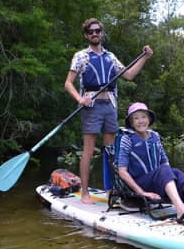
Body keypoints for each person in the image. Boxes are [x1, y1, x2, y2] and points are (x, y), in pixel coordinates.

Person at [64, 18, 153, 204]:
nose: (94, 34)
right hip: (91, 105)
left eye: (97, 31)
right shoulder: (81, 56)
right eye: (90, 32)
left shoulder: (110, 57)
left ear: (102, 33)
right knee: (88, 150)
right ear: (86, 35)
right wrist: (80, 99)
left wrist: (144, 57)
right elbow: (68, 84)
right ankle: (85, 193)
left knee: (111, 151)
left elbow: (128, 75)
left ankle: (112, 190)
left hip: (110, 106)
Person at [118, 102, 184, 226]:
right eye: (136, 118)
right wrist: (142, 192)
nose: (140, 121)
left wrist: (170, 180)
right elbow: (122, 171)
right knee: (164, 170)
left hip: (156, 181)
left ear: (149, 119)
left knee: (176, 172)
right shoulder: (126, 139)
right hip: (139, 184)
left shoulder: (155, 136)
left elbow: (164, 160)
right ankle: (181, 211)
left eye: (143, 117)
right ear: (131, 123)